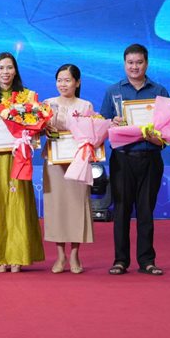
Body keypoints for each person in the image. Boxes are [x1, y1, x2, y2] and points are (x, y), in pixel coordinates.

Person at [100, 44, 170, 276]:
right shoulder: (113, 91)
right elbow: (102, 125)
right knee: (121, 210)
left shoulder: (159, 91)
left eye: (139, 62)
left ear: (146, 64)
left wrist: (158, 136)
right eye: (130, 63)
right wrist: (112, 123)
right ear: (124, 64)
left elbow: (168, 129)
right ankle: (120, 260)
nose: (134, 67)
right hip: (122, 159)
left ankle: (147, 261)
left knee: (145, 210)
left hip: (150, 158)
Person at [0, 52, 45, 273]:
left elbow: (36, 127)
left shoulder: (27, 96)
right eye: (1, 68)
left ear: (15, 70)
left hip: (18, 156)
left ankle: (18, 256)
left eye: (9, 67)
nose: (5, 72)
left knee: (18, 203)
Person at [43, 64, 95, 274]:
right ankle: (59, 255)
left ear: (77, 82)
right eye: (59, 80)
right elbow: (37, 131)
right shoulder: (47, 104)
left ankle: (74, 253)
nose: (63, 84)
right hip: (54, 162)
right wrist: (44, 130)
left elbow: (92, 133)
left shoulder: (85, 106)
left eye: (67, 80)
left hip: (78, 163)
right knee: (56, 206)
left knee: (76, 206)